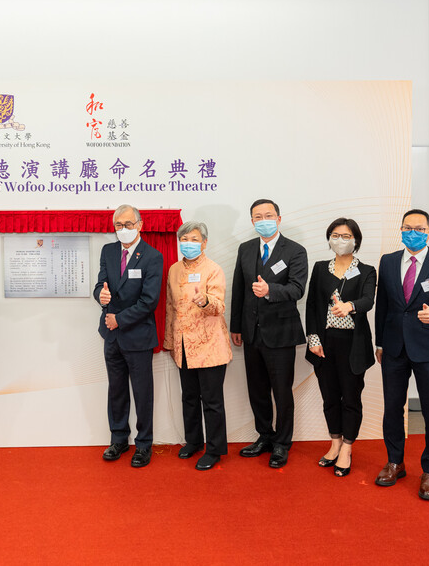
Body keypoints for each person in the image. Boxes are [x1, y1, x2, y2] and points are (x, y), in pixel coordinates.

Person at [374, 209, 429, 500]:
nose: (413, 232)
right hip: (394, 348)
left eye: (419, 228)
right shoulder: (387, 262)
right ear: (401, 230)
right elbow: (382, 305)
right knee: (392, 408)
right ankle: (395, 462)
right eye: (407, 227)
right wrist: (380, 343)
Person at [230, 199, 308, 468]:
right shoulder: (246, 248)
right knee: (257, 390)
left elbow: (298, 289)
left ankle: (282, 443)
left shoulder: (295, 251)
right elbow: (238, 289)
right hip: (251, 333)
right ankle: (265, 436)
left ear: (278, 218)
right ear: (252, 221)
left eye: (268, 215)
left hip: (281, 333)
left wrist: (270, 291)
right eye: (258, 216)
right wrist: (236, 327)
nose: (263, 220)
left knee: (282, 392)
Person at [305, 218, 376, 477]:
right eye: (335, 235)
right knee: (330, 397)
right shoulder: (321, 267)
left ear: (355, 239)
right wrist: (313, 338)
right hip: (324, 343)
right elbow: (312, 304)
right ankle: (334, 443)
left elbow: (368, 299)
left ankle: (347, 447)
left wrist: (351, 306)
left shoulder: (367, 270)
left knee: (351, 398)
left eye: (346, 236)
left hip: (352, 345)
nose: (340, 240)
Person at [93, 204, 164, 468]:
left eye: (128, 224)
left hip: (137, 336)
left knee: (142, 393)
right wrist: (99, 294)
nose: (123, 230)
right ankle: (118, 438)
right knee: (117, 390)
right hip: (111, 336)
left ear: (140, 225)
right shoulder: (108, 251)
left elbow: (149, 301)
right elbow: (101, 283)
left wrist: (119, 320)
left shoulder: (152, 256)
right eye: (118, 226)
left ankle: (144, 444)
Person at [163, 221, 232, 471]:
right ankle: (193, 441)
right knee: (189, 397)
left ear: (204, 243)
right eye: (184, 239)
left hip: (209, 345)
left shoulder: (213, 269)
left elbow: (219, 305)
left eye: (193, 239)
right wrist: (170, 342)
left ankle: (214, 450)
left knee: (212, 401)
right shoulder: (173, 270)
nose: (188, 244)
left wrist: (205, 300)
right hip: (183, 345)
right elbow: (171, 307)